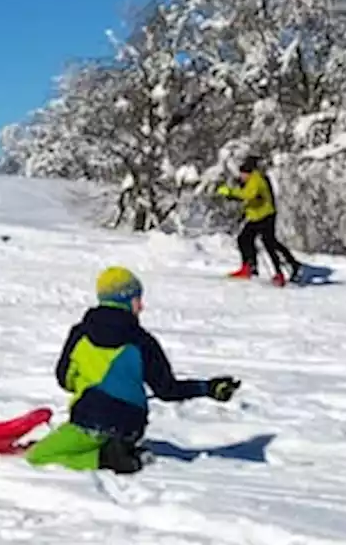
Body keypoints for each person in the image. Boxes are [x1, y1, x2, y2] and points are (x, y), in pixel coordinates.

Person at [24, 267, 240, 473]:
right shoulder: (143, 340)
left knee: (38, 455)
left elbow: (64, 380)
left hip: (89, 422)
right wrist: (208, 387)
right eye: (137, 299)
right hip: (131, 428)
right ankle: (119, 450)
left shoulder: (80, 334)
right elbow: (167, 389)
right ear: (126, 300)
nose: (141, 307)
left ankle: (105, 459)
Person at [216, 155, 302, 285]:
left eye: (243, 173)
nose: (241, 176)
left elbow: (248, 195)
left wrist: (230, 192)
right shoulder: (251, 180)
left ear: (249, 172)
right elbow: (247, 196)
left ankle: (279, 273)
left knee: (269, 244)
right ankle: (249, 267)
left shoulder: (256, 179)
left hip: (266, 216)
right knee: (244, 239)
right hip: (256, 216)